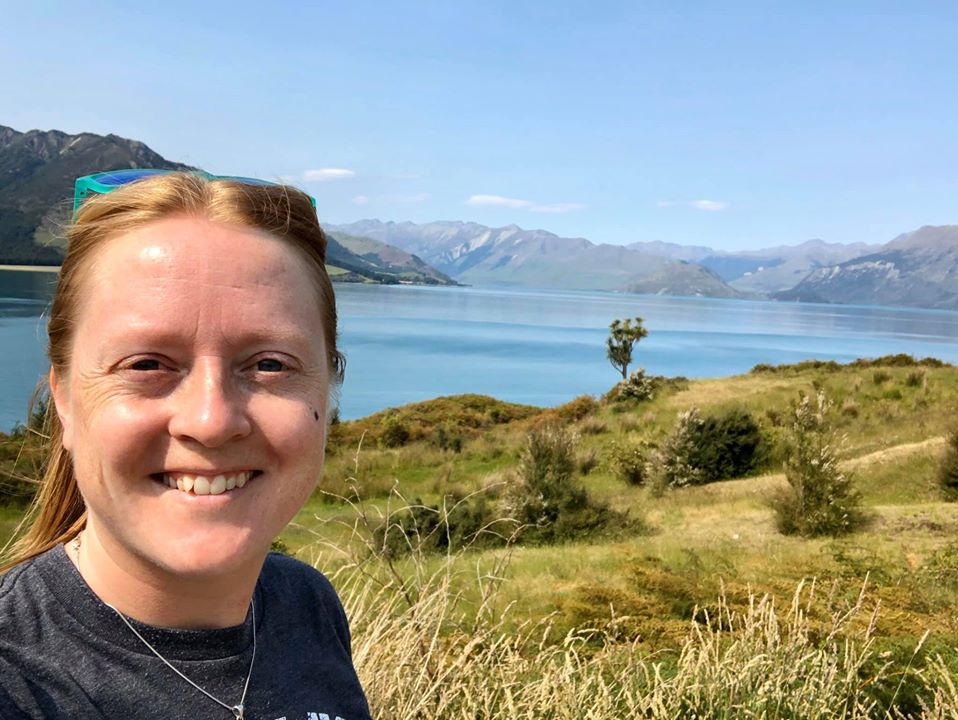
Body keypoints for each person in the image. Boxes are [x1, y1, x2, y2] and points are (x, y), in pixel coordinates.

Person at [0, 170, 373, 720]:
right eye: (146, 363)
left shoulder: (304, 605)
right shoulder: (19, 683)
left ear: (328, 389)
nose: (211, 420)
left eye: (269, 364)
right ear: (64, 398)